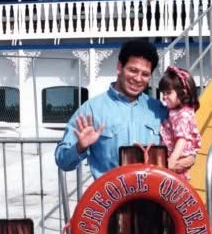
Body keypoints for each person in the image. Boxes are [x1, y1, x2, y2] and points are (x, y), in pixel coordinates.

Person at [55, 40, 195, 179]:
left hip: (153, 192)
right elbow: (63, 161)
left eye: (145, 74)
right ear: (119, 67)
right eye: (133, 70)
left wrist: (178, 163)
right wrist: (80, 147)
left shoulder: (160, 110)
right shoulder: (91, 110)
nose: (138, 78)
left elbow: (189, 154)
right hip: (111, 192)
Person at [158, 66, 201, 180]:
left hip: (176, 159)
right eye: (163, 93)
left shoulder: (182, 115)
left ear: (183, 93)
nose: (164, 97)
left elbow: (181, 139)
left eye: (168, 93)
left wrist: (172, 160)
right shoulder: (176, 111)